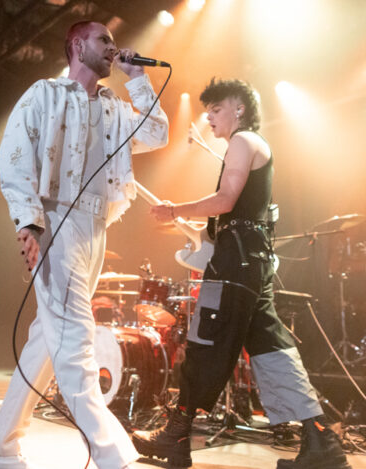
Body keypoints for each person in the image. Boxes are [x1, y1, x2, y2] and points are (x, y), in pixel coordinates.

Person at [132, 78, 351, 469]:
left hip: (237, 264)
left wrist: (174, 210)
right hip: (251, 261)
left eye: (216, 109)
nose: (209, 117)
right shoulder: (251, 145)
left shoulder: (243, 140)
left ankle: (176, 435)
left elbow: (225, 200)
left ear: (240, 109)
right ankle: (321, 441)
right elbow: (239, 214)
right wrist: (196, 228)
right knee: (272, 348)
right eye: (208, 111)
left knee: (207, 340)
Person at [0, 21, 168, 469]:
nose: (113, 47)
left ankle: (0, 449)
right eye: (104, 40)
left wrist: (138, 79)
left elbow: (157, 134)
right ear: (78, 45)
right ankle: (114, 457)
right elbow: (13, 158)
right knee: (76, 340)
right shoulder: (45, 94)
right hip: (56, 220)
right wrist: (29, 221)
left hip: (96, 227)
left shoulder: (115, 107)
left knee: (47, 342)